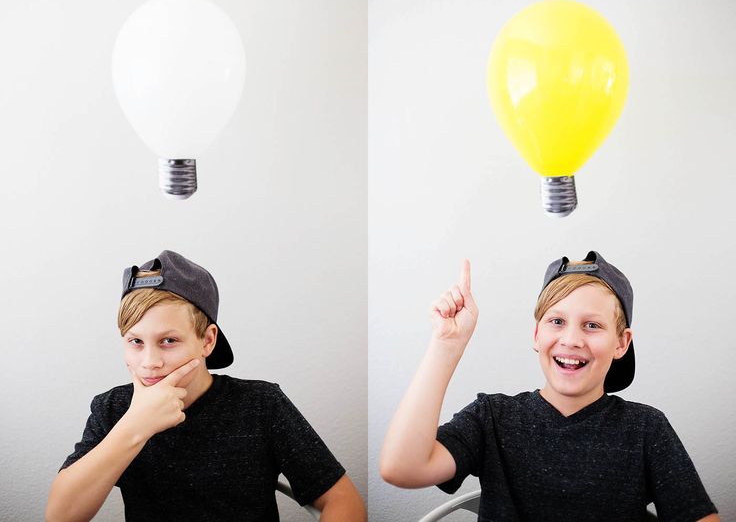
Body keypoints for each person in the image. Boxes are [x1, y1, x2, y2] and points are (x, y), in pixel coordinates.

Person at [380, 250, 720, 522]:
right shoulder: (492, 418)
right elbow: (401, 468)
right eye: (556, 321)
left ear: (621, 343)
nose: (571, 339)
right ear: (537, 334)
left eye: (591, 325)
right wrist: (447, 345)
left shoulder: (647, 428)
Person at [46, 249, 366, 522]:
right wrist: (136, 425)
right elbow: (60, 515)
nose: (150, 361)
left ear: (207, 340)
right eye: (135, 341)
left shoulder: (260, 404)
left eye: (168, 341)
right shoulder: (112, 409)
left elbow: (343, 501)